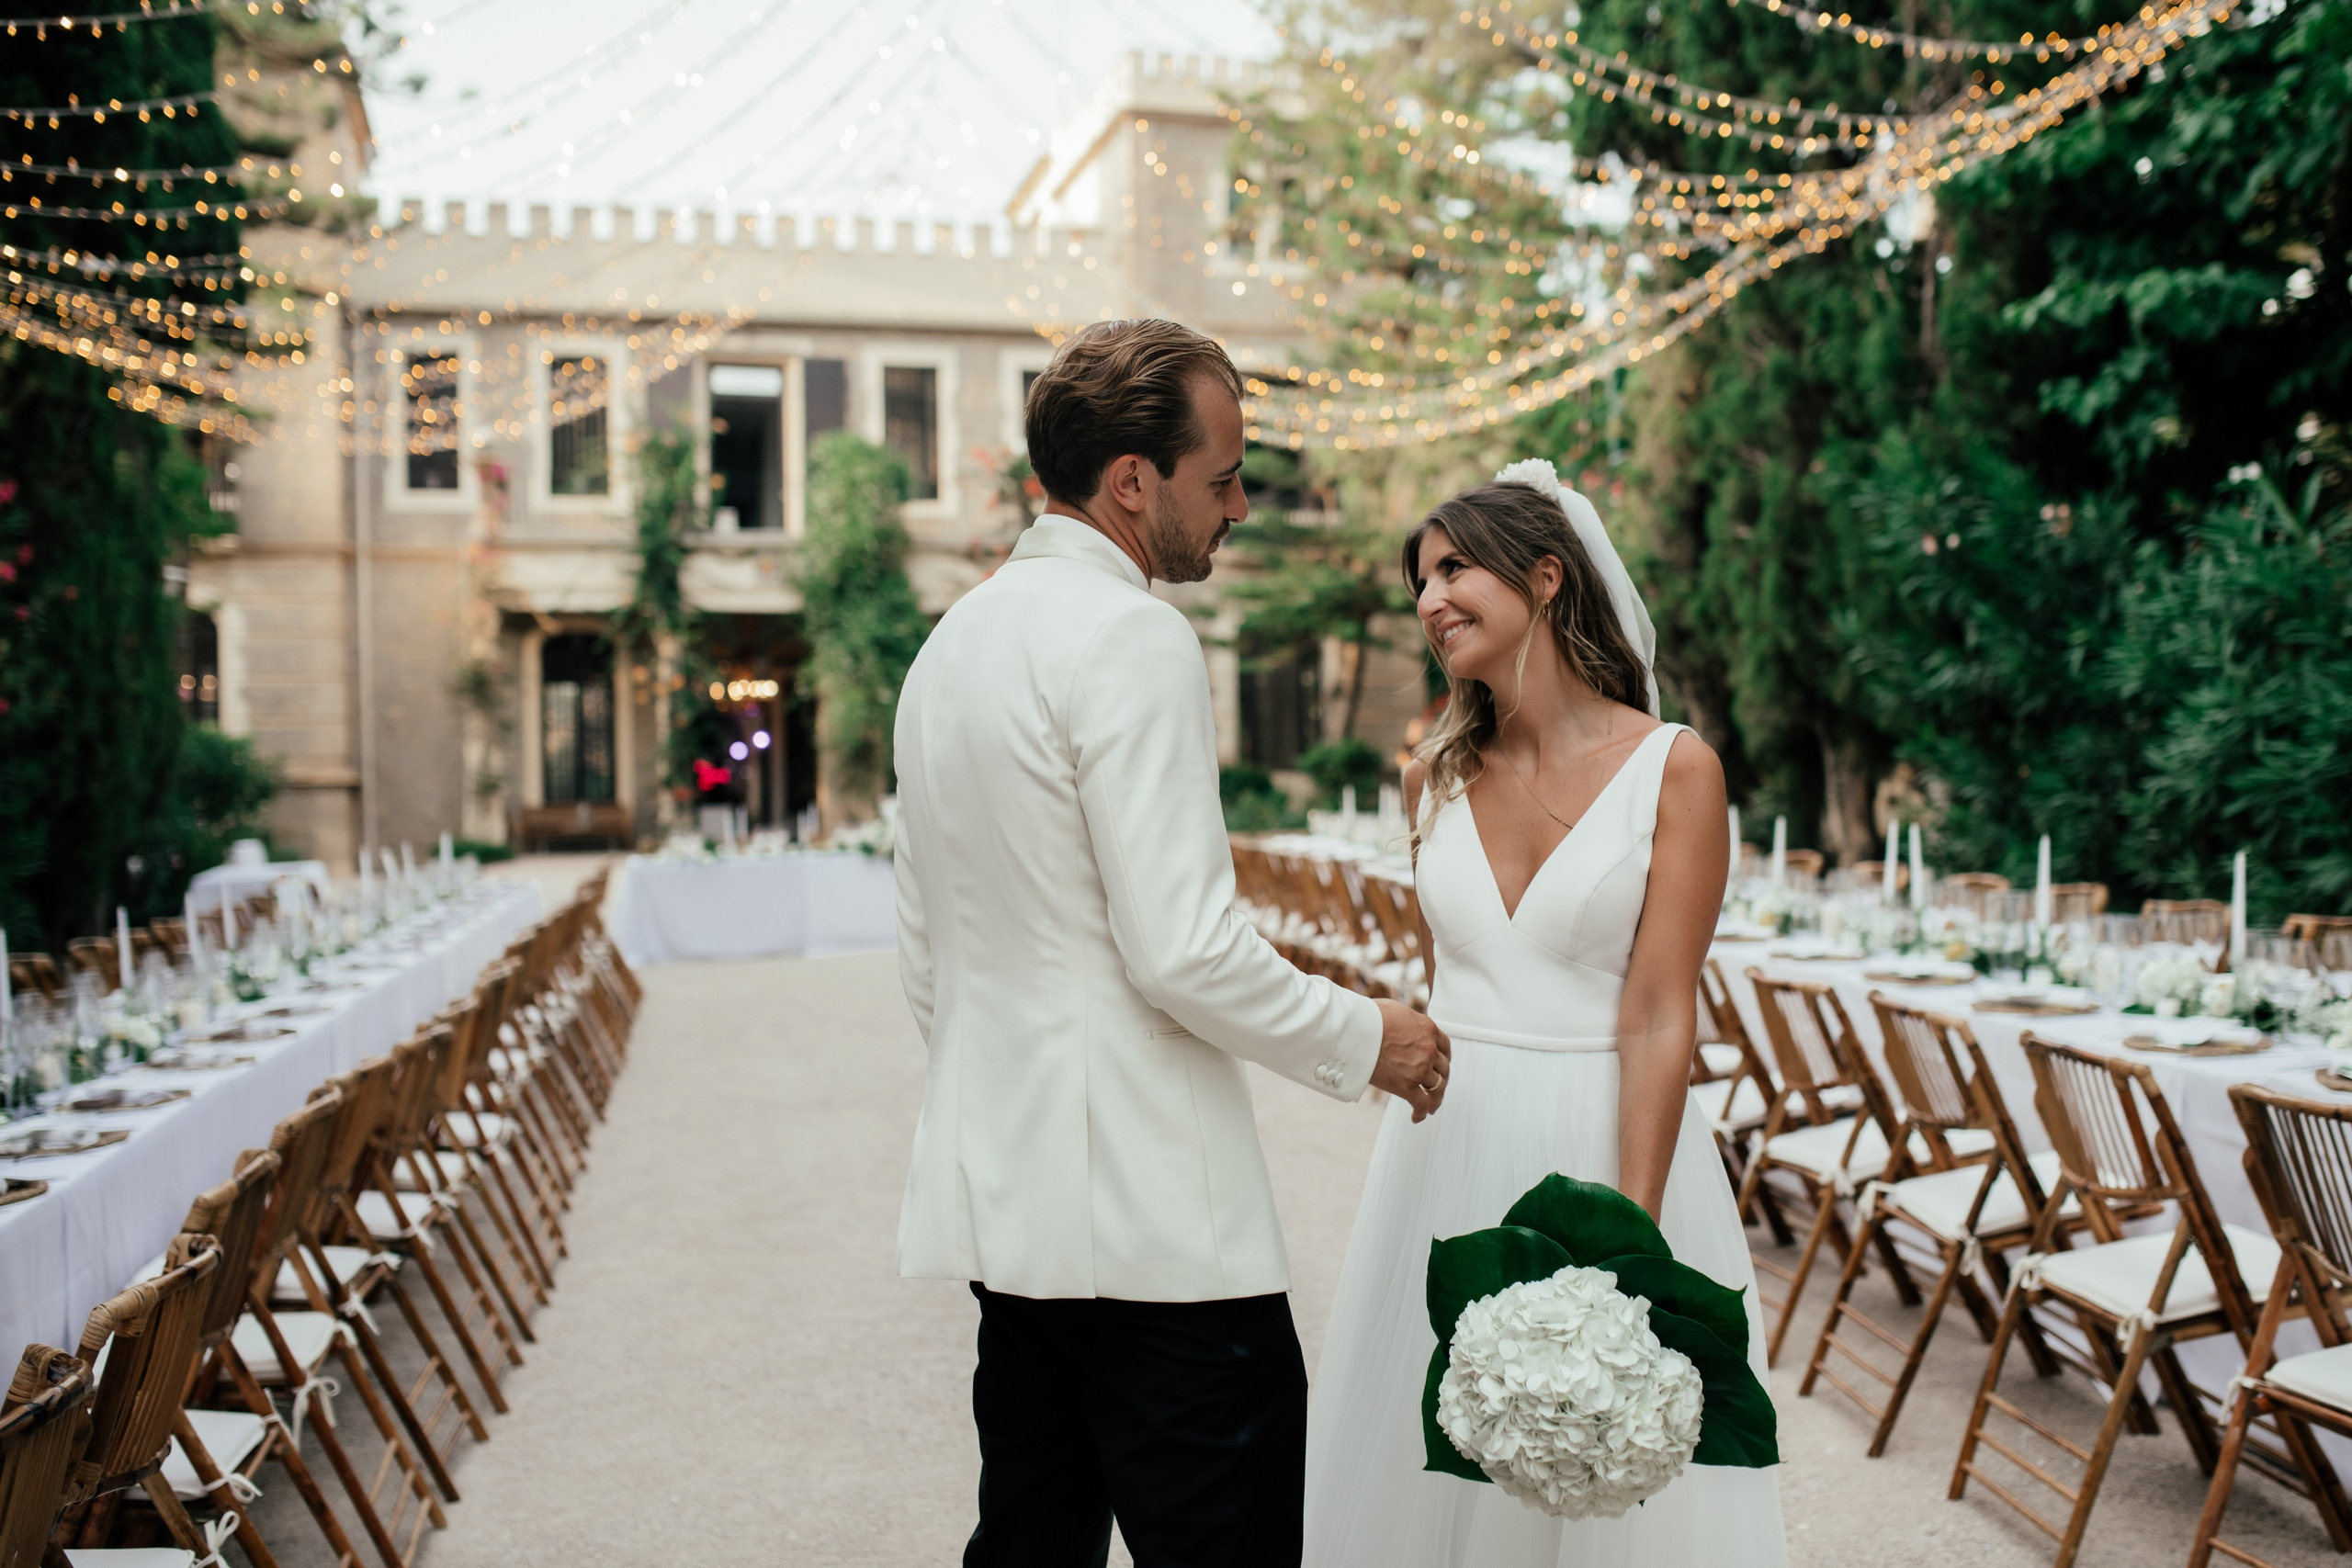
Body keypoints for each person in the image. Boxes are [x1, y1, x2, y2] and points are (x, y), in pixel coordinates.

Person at [891, 316, 1453, 1568]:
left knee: (1031, 1538)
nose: (1242, 504)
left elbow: (927, 954)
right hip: (1159, 1237)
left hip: (1013, 1219)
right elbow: (1184, 951)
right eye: (1224, 475)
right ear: (1131, 482)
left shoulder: (947, 650)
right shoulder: (1132, 634)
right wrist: (1377, 1037)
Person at [1300, 468, 1788, 1566]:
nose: (1428, 599)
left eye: (1453, 567)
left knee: (1601, 1482)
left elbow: (1662, 1015)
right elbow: (1449, 989)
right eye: (1420, 580)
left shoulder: (1676, 769)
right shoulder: (1438, 777)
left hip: (1600, 1147)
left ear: (1548, 577)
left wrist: (1631, 1240)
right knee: (1428, 1464)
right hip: (1442, 1155)